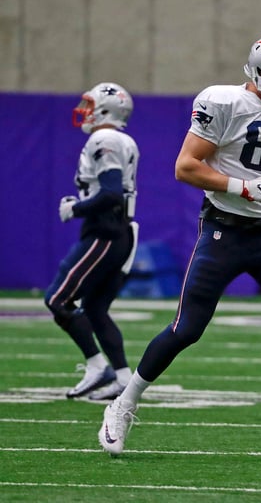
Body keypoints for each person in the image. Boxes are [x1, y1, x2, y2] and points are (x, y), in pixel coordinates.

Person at [98, 36, 261, 455]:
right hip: (224, 231)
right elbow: (186, 167)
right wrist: (240, 187)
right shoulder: (223, 102)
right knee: (187, 329)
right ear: (258, 72)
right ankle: (122, 403)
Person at [45, 82, 139, 401]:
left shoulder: (105, 138)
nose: (84, 111)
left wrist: (76, 208)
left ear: (104, 109)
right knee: (96, 309)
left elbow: (111, 192)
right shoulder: (119, 139)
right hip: (117, 230)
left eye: (89, 105)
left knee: (57, 299)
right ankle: (124, 379)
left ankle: (98, 366)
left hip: (105, 231)